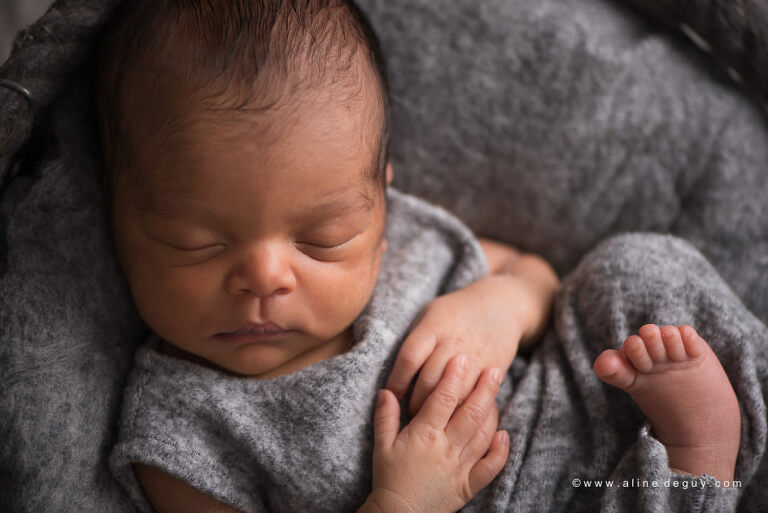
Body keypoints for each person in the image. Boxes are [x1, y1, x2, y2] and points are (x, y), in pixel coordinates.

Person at [96, 1, 741, 512]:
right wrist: (403, 501)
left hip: (572, 425)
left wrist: (499, 306)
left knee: (630, 269)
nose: (266, 277)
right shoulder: (177, 438)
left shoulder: (399, 240)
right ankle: (698, 462)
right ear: (115, 219)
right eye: (197, 243)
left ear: (379, 202)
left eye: (324, 237)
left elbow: (540, 278)